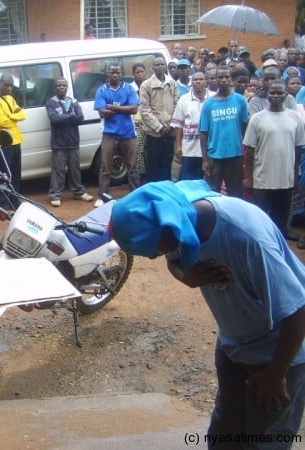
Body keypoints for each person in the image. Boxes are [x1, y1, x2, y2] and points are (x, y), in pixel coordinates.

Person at [109, 179, 305, 450]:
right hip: (232, 345)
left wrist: (276, 373)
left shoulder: (246, 237)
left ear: (168, 228)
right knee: (224, 435)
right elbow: (174, 262)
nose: (155, 257)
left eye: (154, 249)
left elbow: (298, 309)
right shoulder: (178, 219)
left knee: (265, 440)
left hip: (277, 356)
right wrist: (185, 274)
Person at [243, 80, 304, 241]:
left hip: (286, 176)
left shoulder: (295, 117)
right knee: (260, 214)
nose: (275, 96)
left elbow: (298, 148)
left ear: (286, 95)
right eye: (272, 92)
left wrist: (296, 172)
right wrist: (249, 177)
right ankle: (260, 240)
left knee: (282, 214)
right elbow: (249, 150)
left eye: (279, 93)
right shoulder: (257, 118)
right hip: (263, 177)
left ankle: (281, 236)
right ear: (267, 94)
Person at [199, 66, 249, 197]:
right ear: (215, 80)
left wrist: (246, 153)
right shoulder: (209, 104)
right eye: (220, 77)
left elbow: (245, 128)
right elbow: (203, 133)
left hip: (235, 154)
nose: (224, 80)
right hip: (214, 156)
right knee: (213, 193)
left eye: (226, 77)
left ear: (231, 79)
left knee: (235, 193)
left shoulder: (240, 100)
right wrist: (204, 160)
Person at [94, 63, 139, 206]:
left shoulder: (128, 88)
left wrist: (112, 107)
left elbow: (134, 109)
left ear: (121, 73)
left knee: (132, 166)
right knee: (105, 167)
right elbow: (102, 113)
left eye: (117, 72)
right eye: (112, 72)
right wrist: (123, 108)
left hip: (128, 133)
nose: (115, 75)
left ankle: (136, 194)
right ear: (108, 73)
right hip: (109, 134)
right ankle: (102, 196)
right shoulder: (101, 90)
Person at [45, 77, 92, 207]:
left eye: (63, 85)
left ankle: (78, 192)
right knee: (58, 170)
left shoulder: (73, 101)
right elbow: (54, 119)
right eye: (58, 85)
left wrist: (64, 118)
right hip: (58, 143)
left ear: (67, 87)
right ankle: (55, 195)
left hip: (73, 141)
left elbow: (80, 118)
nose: (61, 87)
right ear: (54, 88)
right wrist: (70, 116)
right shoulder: (50, 103)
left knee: (75, 169)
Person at [0, 73, 26, 211]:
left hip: (15, 140)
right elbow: (2, 122)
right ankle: (3, 204)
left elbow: (23, 114)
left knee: (15, 174)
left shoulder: (10, 98)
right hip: (3, 143)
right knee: (4, 175)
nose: (9, 88)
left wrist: (10, 116)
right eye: (7, 85)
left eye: (11, 86)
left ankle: (14, 202)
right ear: (0, 84)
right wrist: (14, 117)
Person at [139, 56, 179, 182]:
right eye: (157, 65)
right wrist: (159, 127)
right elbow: (145, 110)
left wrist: (171, 125)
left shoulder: (172, 84)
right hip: (154, 134)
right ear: (153, 68)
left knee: (167, 166)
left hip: (169, 133)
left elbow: (178, 105)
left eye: (162, 64)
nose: (160, 67)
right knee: (153, 167)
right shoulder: (146, 85)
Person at [171, 71, 209, 181]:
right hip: (189, 148)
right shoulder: (184, 99)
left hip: (208, 148)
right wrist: (178, 146)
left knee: (206, 179)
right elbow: (178, 124)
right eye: (195, 80)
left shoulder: (212, 97)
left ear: (205, 81)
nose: (198, 82)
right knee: (189, 180)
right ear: (191, 82)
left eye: (201, 79)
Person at [130, 63, 147, 185]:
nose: (140, 74)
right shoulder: (130, 88)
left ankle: (147, 176)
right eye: (137, 72)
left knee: (148, 151)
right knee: (138, 152)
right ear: (133, 74)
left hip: (148, 123)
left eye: (142, 72)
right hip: (135, 123)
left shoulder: (147, 85)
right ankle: (139, 178)